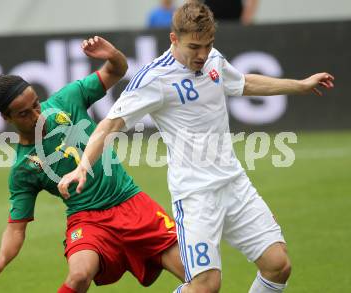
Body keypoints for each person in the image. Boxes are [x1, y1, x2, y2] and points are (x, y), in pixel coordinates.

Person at [57, 3, 335, 293]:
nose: (202, 54)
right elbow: (109, 125)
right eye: (194, 46)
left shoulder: (213, 59)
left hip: (234, 184)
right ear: (174, 39)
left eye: (208, 44)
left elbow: (243, 83)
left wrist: (300, 85)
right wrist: (82, 166)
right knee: (205, 286)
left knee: (278, 265)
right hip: (195, 197)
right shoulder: (154, 78)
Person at [0, 36, 185, 293]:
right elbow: (16, 228)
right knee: (79, 276)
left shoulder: (68, 99)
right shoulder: (23, 168)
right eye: (24, 114)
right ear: (6, 118)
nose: (36, 115)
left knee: (198, 277)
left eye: (36, 104)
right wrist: (2, 260)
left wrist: (112, 53)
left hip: (131, 202)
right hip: (88, 221)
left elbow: (116, 70)